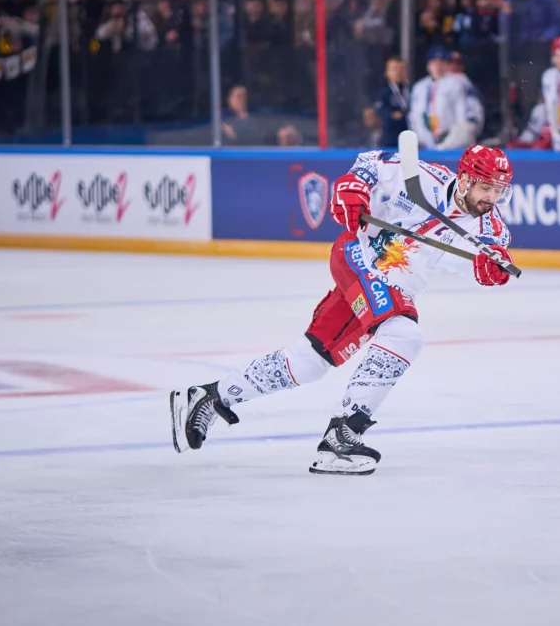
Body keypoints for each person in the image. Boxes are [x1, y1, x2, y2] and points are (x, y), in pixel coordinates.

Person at [170, 145, 516, 475]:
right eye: (486, 187)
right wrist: (354, 185)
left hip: (388, 288)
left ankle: (210, 396)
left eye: (499, 190)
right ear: (465, 178)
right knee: (403, 333)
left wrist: (489, 271)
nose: (492, 197)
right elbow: (370, 161)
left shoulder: (490, 230)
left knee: (309, 361)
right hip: (358, 256)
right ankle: (343, 434)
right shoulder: (423, 176)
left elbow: (486, 261)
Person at [408, 46, 476, 150]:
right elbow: (414, 116)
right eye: (434, 63)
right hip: (424, 143)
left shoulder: (456, 83)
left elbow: (461, 112)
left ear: (447, 65)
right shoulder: (419, 87)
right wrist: (417, 138)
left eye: (441, 63)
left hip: (449, 142)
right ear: (428, 66)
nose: (438, 66)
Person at [374, 56, 410, 148]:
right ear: (387, 73)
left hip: (410, 136)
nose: (398, 72)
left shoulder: (413, 90)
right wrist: (391, 114)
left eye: (401, 69)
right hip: (390, 139)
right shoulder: (384, 93)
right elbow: (380, 110)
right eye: (395, 69)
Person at [450, 51, 486, 143]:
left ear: (462, 65)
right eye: (451, 62)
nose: (453, 66)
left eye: (458, 63)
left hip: (466, 126)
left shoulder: (463, 81)